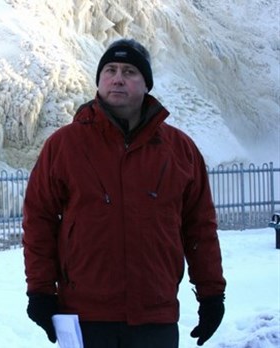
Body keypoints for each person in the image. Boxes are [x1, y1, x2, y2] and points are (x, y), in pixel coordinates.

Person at [22, 38, 226, 347]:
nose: (118, 78)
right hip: (86, 316)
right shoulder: (64, 145)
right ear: (99, 80)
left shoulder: (179, 150)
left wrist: (211, 293)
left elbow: (200, 228)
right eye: (110, 70)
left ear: (146, 84)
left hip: (155, 316)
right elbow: (39, 221)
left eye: (130, 71)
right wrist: (40, 291)